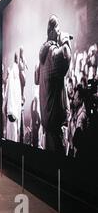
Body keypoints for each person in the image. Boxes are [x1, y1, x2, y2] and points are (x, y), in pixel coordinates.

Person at [36, 15, 72, 154]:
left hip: (48, 121)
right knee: (60, 166)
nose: (59, 31)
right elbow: (64, 59)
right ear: (51, 31)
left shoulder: (43, 56)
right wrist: (65, 41)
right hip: (56, 123)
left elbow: (36, 77)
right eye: (58, 28)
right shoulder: (52, 52)